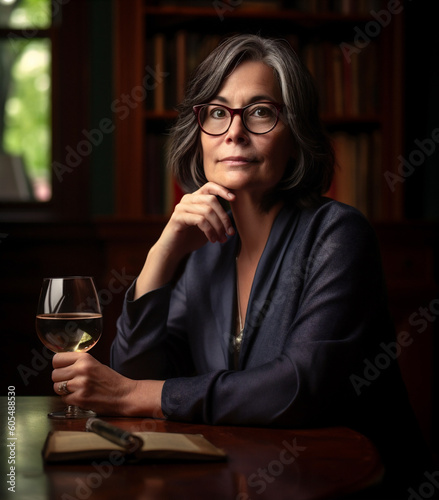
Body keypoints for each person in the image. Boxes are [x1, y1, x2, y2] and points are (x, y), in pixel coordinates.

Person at [52, 34, 432, 495]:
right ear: (200, 133)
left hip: (352, 483)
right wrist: (163, 253)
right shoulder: (203, 255)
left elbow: (298, 388)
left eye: (259, 111)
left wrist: (135, 396)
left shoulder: (338, 234)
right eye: (217, 112)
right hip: (250, 478)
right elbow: (137, 372)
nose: (234, 131)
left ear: (296, 133)